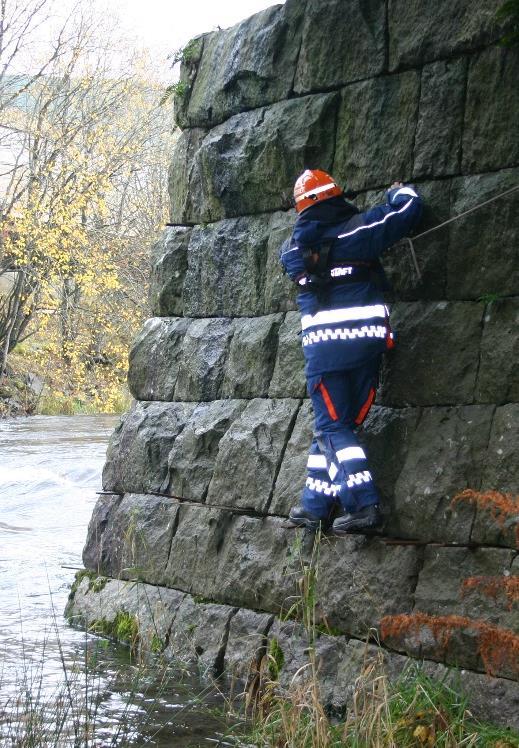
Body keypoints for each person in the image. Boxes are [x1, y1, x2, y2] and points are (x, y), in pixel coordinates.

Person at [279, 169, 422, 535]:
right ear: (337, 197)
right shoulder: (359, 232)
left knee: (332, 427)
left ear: (302, 210)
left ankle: (363, 505)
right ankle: (315, 506)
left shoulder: (293, 251)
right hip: (367, 345)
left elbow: (296, 257)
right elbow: (408, 210)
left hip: (325, 355)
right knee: (334, 426)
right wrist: (399, 190)